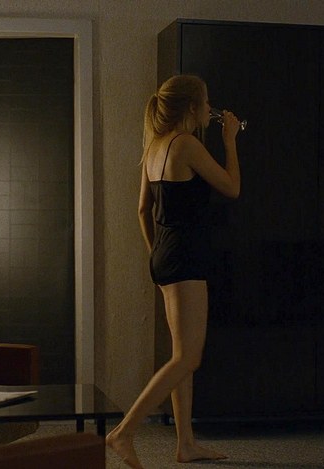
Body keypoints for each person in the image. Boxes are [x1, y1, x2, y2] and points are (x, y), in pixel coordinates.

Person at [106, 75, 241, 468]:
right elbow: (231, 187)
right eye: (206, 102)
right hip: (185, 257)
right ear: (192, 107)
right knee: (187, 357)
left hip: (165, 255)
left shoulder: (154, 146)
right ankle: (124, 432)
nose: (210, 109)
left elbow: (142, 209)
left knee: (182, 353)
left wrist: (157, 253)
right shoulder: (186, 144)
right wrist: (230, 140)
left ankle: (186, 444)